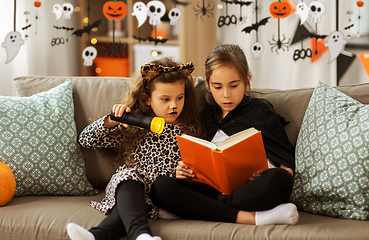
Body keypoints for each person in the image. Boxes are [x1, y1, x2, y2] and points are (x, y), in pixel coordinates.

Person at [150, 44, 299, 225]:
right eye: (217, 87)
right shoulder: (205, 116)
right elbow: (198, 160)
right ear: (208, 84)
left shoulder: (260, 110)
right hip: (212, 189)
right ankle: (249, 217)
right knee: (160, 187)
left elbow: (287, 166)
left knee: (281, 179)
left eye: (234, 85)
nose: (226, 95)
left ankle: (204, 208)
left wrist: (270, 171)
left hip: (250, 190)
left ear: (247, 81)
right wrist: (184, 170)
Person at [66, 57, 202, 240]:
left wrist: (187, 173)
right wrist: (113, 120)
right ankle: (109, 237)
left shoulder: (190, 129)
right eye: (165, 99)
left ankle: (123, 236)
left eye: (180, 97)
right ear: (147, 99)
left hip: (165, 196)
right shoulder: (135, 124)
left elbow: (199, 166)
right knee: (129, 183)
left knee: (130, 206)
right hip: (134, 192)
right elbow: (86, 140)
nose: (174, 105)